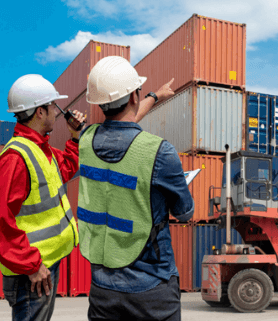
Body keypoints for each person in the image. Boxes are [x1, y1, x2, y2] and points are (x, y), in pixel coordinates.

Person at [78, 56, 194, 321]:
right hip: (152, 288)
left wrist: (154, 95)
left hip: (102, 289)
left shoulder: (85, 141)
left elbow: (120, 127)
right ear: (133, 95)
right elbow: (185, 212)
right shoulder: (159, 152)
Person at [0, 74, 86, 321]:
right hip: (31, 273)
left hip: (44, 266)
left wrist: (75, 136)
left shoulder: (42, 150)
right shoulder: (15, 158)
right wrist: (32, 265)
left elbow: (67, 167)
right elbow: (1, 222)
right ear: (39, 112)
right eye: (53, 107)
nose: (56, 113)